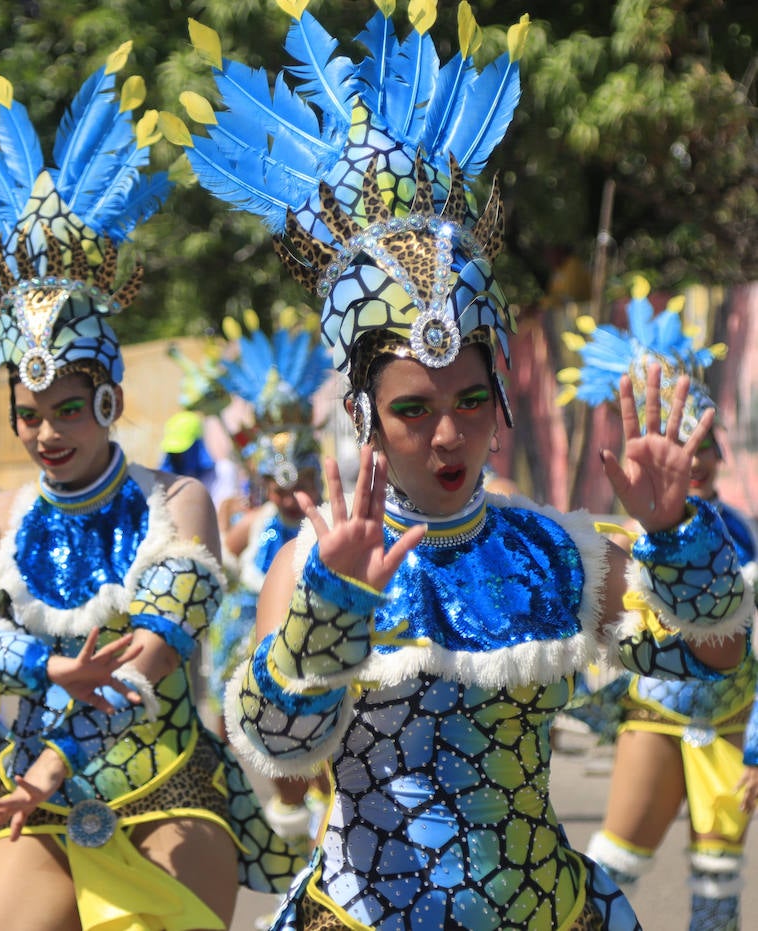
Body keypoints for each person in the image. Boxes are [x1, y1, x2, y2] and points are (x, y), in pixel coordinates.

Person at [182, 5, 751, 928]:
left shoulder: (551, 549)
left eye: (471, 402)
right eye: (413, 409)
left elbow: (713, 659)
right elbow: (280, 749)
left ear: (501, 401)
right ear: (366, 416)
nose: (447, 435)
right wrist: (334, 617)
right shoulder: (312, 560)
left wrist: (675, 534)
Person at [0, 49, 306, 931]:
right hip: (37, 804)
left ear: (109, 402)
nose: (48, 433)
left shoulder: (179, 503)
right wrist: (44, 665)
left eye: (68, 409)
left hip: (168, 792)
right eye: (29, 413)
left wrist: (55, 750)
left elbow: (150, 656)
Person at [558, 277, 758, 930]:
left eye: (700, 449)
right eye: (677, 447)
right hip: (656, 714)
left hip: (730, 722)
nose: (689, 463)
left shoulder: (742, 535)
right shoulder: (621, 541)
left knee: (718, 888)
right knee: (609, 868)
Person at [202, 309, 333, 848]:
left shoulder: (330, 527)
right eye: (277, 485)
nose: (288, 494)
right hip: (253, 656)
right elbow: (211, 567)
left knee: (326, 762)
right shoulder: (250, 526)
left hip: (319, 651)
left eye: (299, 480)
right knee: (270, 757)